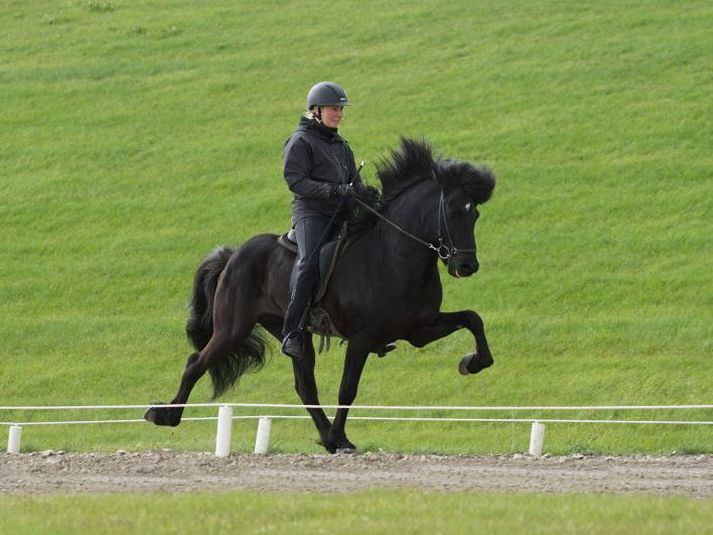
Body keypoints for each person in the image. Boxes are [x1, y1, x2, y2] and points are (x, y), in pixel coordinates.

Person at [281, 81, 371, 360]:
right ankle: (292, 331)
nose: (339, 114)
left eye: (341, 109)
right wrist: (332, 190)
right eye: (334, 109)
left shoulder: (341, 145)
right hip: (312, 213)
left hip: (341, 211)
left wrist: (365, 192)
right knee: (309, 263)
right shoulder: (300, 141)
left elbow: (353, 181)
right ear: (316, 111)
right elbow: (295, 181)